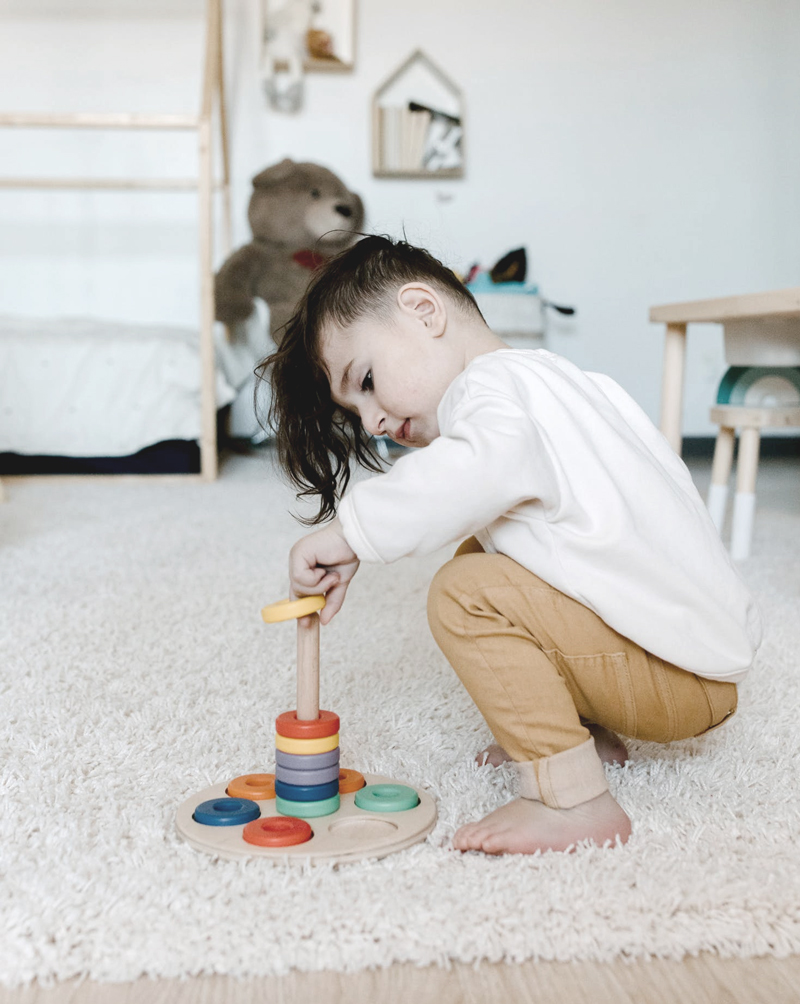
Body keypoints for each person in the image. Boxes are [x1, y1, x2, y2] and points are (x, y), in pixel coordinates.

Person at [256, 234, 762, 855]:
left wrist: (351, 532)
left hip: (675, 674)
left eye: (366, 381)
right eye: (354, 413)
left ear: (424, 311)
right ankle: (585, 735)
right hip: (694, 657)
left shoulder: (490, 389)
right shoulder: (566, 382)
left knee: (465, 594)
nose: (374, 423)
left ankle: (572, 800)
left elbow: (469, 473)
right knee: (489, 551)